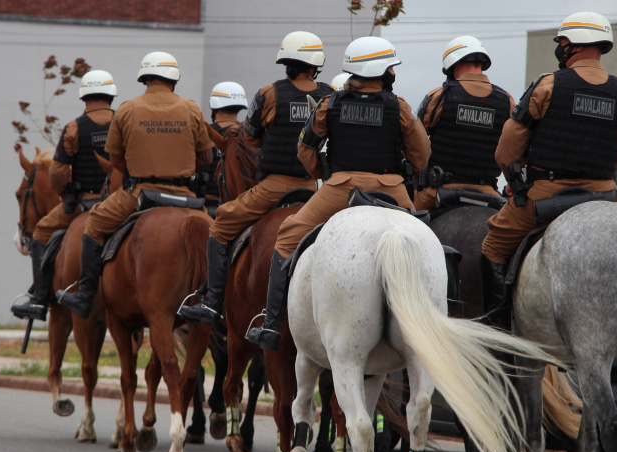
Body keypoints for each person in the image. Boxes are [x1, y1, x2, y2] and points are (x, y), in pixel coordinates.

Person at [245, 36, 431, 351]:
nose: (392, 72)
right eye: (390, 67)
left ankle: (272, 324)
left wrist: (323, 175)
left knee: (287, 235)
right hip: (391, 187)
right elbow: (422, 156)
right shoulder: (399, 106)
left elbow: (305, 148)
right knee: (427, 242)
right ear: (379, 70)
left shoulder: (329, 103)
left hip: (341, 188)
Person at [480, 12, 617, 325]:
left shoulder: (548, 85)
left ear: (576, 45)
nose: (560, 48)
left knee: (492, 246)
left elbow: (507, 149)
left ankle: (498, 326)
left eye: (563, 42)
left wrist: (515, 179)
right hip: (605, 195)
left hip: (547, 194)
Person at [179, 32, 334, 327]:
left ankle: (212, 303)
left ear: (285, 62)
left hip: (275, 187)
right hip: (316, 190)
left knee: (221, 224)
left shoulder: (269, 93)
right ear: (316, 64)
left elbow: (249, 137)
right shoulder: (331, 95)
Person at [57, 51, 214, 318]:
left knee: (94, 223)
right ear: (173, 79)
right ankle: (215, 302)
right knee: (217, 234)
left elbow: (116, 159)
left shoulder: (128, 109)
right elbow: (206, 158)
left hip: (140, 193)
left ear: (145, 78)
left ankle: (85, 295)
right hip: (185, 196)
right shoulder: (191, 108)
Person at [11, 69, 117, 321]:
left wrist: (64, 192)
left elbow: (58, 172)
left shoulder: (74, 128)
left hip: (85, 204)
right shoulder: (123, 122)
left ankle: (39, 300)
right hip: (120, 203)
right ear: (111, 96)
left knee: (41, 232)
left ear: (85, 97)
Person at [414, 36, 515, 211]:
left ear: (452, 66)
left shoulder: (439, 96)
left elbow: (414, 143)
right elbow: (516, 147)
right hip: (488, 192)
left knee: (405, 219)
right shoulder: (507, 100)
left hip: (438, 192)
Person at [196, 81, 248, 210]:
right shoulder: (251, 136)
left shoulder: (202, 132)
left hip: (204, 205)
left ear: (214, 105)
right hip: (242, 206)